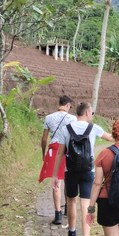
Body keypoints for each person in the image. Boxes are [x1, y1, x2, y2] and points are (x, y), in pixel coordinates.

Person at [52, 101, 114, 236]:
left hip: (70, 171)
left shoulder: (66, 129)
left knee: (71, 201)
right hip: (88, 171)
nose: (92, 115)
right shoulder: (94, 128)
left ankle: (72, 234)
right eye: (92, 113)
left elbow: (60, 154)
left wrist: (55, 175)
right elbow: (112, 138)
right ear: (87, 113)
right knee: (86, 204)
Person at [39, 95, 76, 225]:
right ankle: (67, 208)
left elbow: (44, 139)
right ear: (68, 105)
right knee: (67, 179)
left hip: (54, 151)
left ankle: (58, 215)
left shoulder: (49, 118)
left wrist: (44, 153)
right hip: (68, 151)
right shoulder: (73, 118)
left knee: (56, 183)